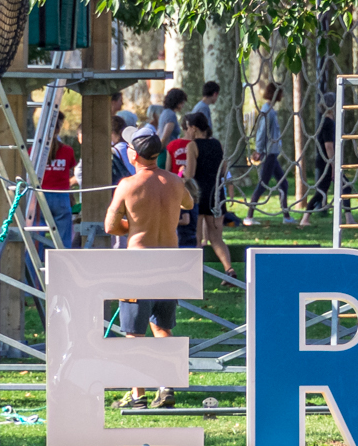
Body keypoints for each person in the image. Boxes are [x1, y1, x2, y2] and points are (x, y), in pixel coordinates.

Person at [102, 134, 191, 342]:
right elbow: (189, 204)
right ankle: (168, 373)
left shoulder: (128, 185)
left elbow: (109, 226)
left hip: (138, 265)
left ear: (133, 155)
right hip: (169, 263)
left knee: (135, 333)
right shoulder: (175, 181)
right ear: (157, 154)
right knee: (162, 329)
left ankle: (135, 375)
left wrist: (134, 226)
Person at [186, 110, 231, 275]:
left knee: (197, 238)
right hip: (216, 194)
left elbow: (190, 175)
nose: (188, 132)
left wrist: (182, 175)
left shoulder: (192, 146)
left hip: (198, 196)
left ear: (194, 128)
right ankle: (229, 269)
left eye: (188, 128)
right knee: (216, 238)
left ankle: (195, 274)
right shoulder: (217, 144)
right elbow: (224, 170)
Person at [37, 109, 82, 250]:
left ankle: (33, 269)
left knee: (36, 238)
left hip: (40, 196)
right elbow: (69, 172)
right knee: (63, 241)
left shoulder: (34, 150)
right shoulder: (68, 151)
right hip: (61, 197)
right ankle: (63, 268)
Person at [243, 93, 285, 221]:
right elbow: (262, 131)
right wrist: (259, 150)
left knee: (284, 183)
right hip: (268, 152)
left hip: (273, 151)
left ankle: (286, 215)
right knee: (263, 184)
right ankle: (249, 216)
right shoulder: (267, 112)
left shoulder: (271, 111)